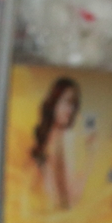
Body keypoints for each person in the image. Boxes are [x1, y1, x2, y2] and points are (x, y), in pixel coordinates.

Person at [31, 77, 96, 211]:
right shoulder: (63, 138)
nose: (70, 110)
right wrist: (91, 155)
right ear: (54, 102)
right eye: (66, 102)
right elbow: (71, 198)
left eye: (73, 105)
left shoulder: (47, 137)